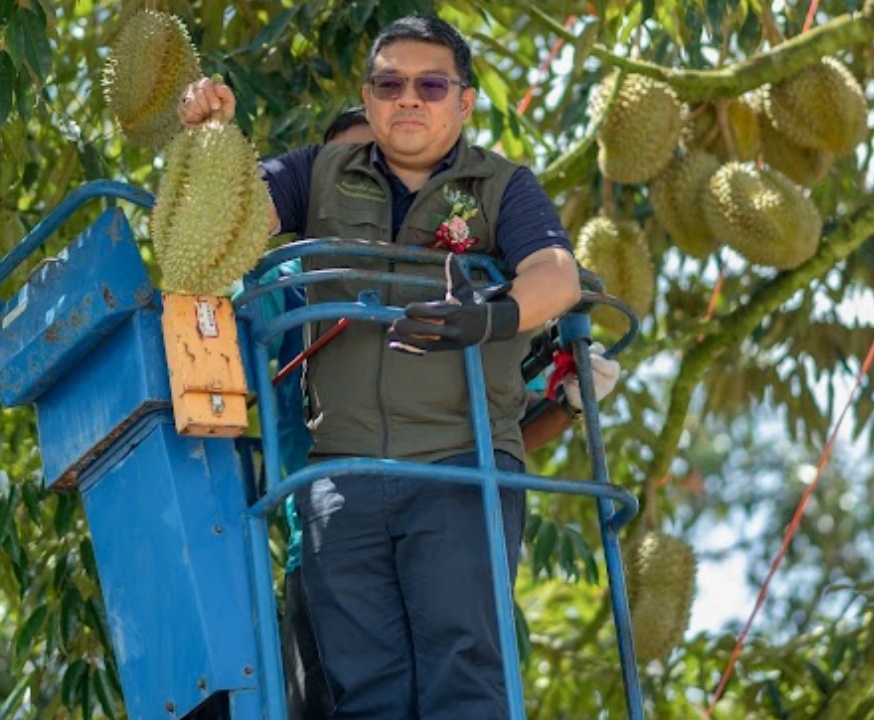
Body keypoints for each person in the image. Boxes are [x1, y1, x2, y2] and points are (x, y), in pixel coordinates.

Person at [182, 16, 585, 719]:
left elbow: (555, 274)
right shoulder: (317, 173)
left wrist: (489, 317)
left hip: (462, 465)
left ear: (463, 102)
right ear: (367, 100)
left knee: (464, 672)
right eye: (389, 83)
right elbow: (224, 228)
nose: (409, 99)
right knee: (363, 686)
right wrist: (209, 137)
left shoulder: (500, 186)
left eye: (431, 84)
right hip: (343, 473)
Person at [270, 108, 621, 719]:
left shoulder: (446, 285)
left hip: (443, 503)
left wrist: (564, 403)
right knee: (361, 696)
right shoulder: (290, 292)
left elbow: (491, 427)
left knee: (463, 681)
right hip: (330, 534)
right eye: (353, 180)